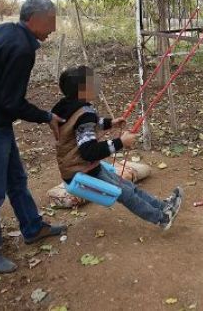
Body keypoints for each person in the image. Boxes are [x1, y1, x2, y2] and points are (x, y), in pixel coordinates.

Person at [0, 0, 66, 273]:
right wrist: (46, 116)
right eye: (50, 22)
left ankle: (32, 228)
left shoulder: (2, 29)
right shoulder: (22, 49)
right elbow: (12, 103)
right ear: (33, 19)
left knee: (16, 179)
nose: (53, 29)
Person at [51, 66, 183, 230]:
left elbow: (88, 124)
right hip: (81, 170)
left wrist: (110, 123)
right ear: (82, 90)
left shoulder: (67, 107)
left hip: (85, 167)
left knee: (128, 187)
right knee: (125, 194)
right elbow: (89, 151)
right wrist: (121, 142)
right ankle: (161, 218)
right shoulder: (84, 115)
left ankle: (162, 206)